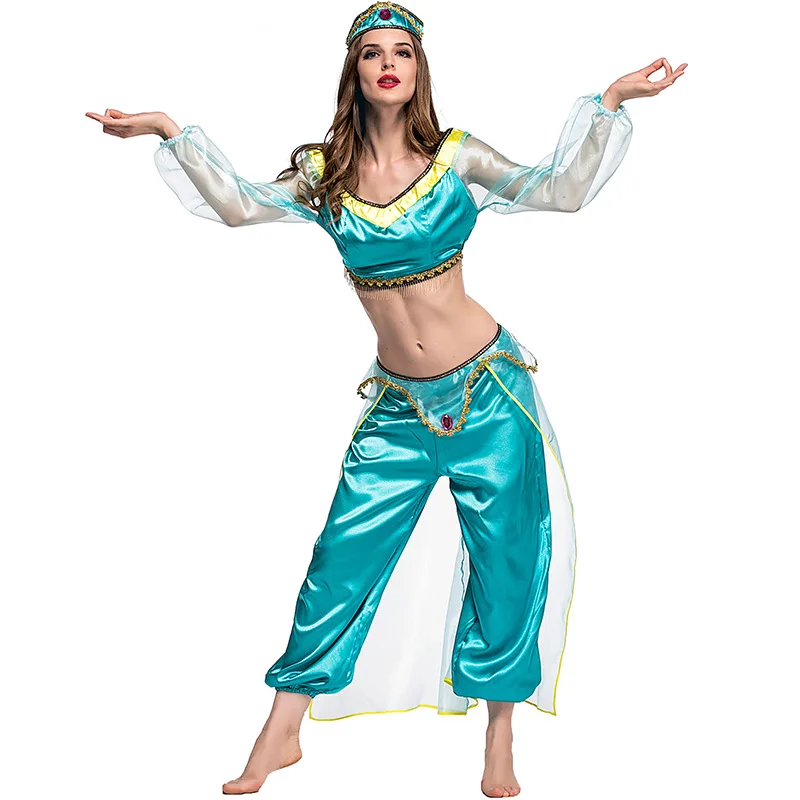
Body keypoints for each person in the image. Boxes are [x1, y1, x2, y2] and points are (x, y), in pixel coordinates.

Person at [86, 3, 686, 796]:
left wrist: (609, 104)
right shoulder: (323, 172)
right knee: (339, 562)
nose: (389, 64)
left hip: (489, 394)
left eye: (403, 51)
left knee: (507, 565)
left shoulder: (456, 158)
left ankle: (499, 739)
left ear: (418, 69)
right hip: (399, 408)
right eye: (373, 53)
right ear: (356, 71)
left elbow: (558, 190)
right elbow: (238, 205)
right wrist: (170, 130)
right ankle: (280, 731)